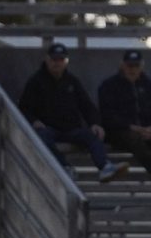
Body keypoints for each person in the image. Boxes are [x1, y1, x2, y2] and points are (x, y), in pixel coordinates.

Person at [18, 42, 130, 182]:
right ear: (47, 60)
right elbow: (24, 108)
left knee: (92, 135)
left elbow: (86, 105)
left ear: (66, 61)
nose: (57, 63)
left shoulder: (72, 81)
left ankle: (105, 167)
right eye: (54, 59)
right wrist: (34, 121)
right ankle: (64, 167)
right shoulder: (35, 82)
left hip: (71, 129)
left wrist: (95, 123)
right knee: (42, 138)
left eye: (61, 60)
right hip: (48, 129)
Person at [98, 50, 151, 182]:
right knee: (134, 139)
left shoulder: (149, 85)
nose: (133, 69)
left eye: (136, 66)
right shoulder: (109, 86)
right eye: (130, 66)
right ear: (123, 65)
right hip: (120, 133)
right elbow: (108, 115)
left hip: (146, 131)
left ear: (142, 66)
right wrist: (132, 127)